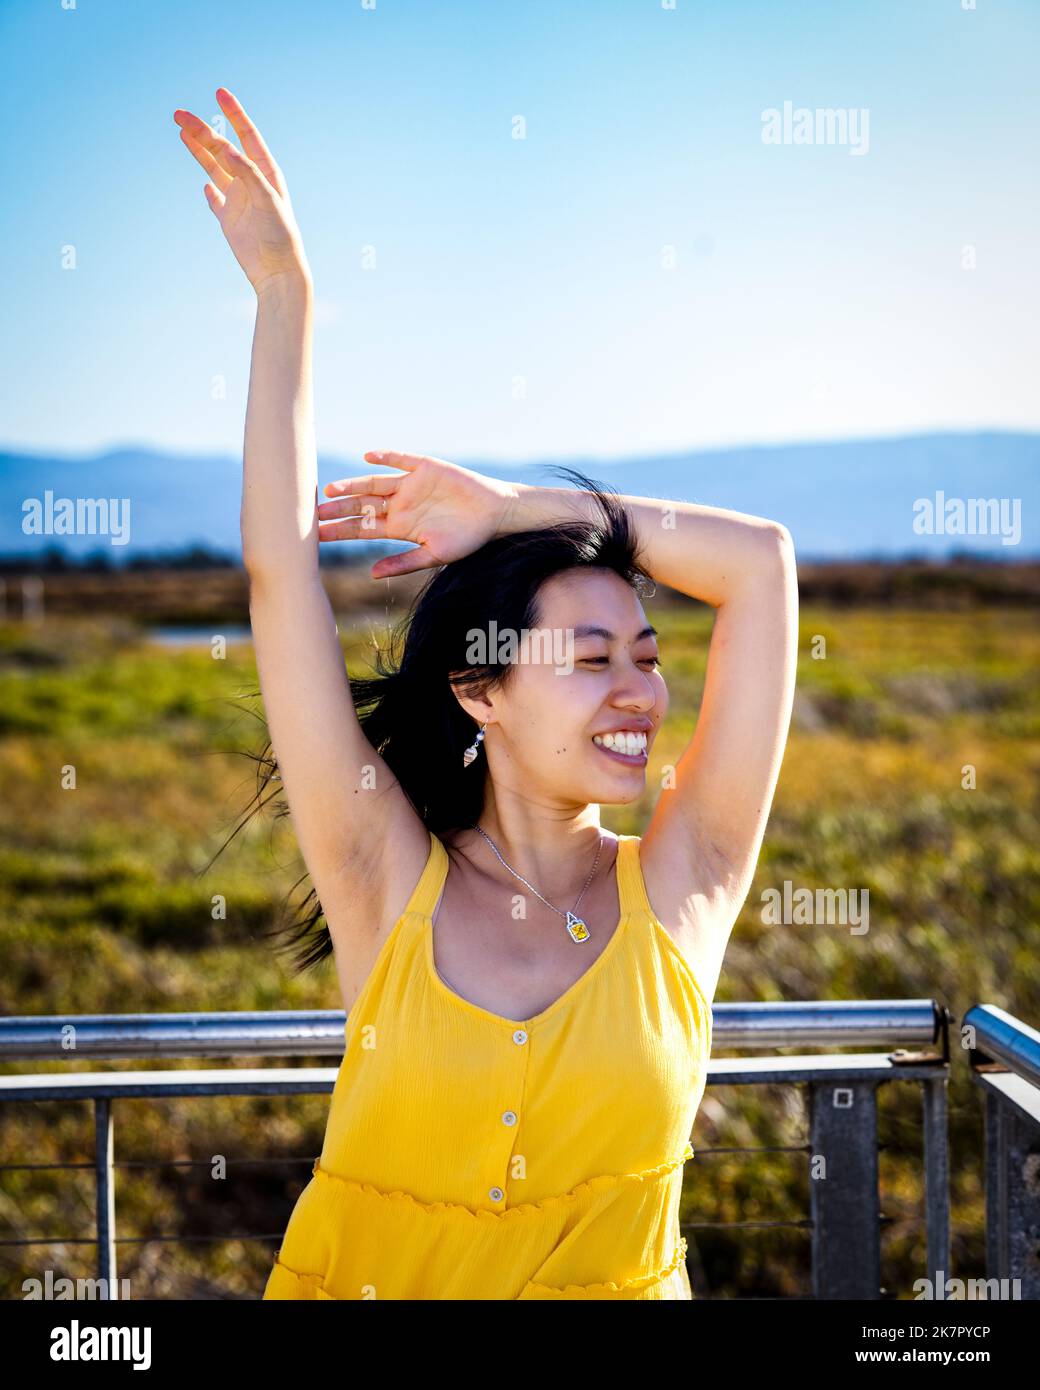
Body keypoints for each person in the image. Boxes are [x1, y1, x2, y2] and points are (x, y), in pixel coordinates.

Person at [174, 88, 799, 1300]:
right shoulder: (383, 878)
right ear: (480, 691)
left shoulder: (684, 882)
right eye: (587, 657)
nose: (638, 689)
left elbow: (759, 566)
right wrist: (288, 301)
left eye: (648, 651)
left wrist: (512, 509)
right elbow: (275, 573)